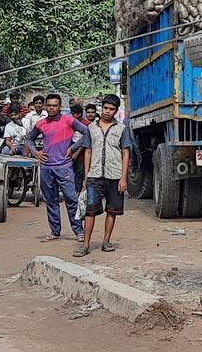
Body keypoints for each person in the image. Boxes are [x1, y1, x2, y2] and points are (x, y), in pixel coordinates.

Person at [23, 93, 87, 242]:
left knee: (71, 200)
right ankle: (55, 232)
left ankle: (79, 231)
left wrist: (73, 148)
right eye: (49, 105)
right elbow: (29, 139)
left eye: (55, 105)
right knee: (50, 201)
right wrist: (35, 152)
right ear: (46, 106)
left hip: (64, 167)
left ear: (60, 107)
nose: (51, 108)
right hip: (46, 167)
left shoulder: (68, 120)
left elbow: (87, 133)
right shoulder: (40, 123)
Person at [75, 95, 133, 257]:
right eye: (105, 108)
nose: (108, 112)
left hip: (114, 175)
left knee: (112, 210)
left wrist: (123, 178)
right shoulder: (91, 128)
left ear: (115, 111)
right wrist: (86, 177)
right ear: (102, 108)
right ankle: (85, 245)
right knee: (90, 211)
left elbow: (125, 152)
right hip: (94, 175)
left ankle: (106, 242)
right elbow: (88, 151)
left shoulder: (121, 129)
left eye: (111, 109)